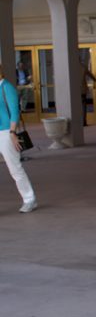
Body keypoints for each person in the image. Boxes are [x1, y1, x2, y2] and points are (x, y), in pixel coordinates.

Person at [0, 67, 37, 212]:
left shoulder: (6, 87)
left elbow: (14, 111)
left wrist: (12, 132)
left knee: (15, 168)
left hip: (5, 132)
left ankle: (29, 199)